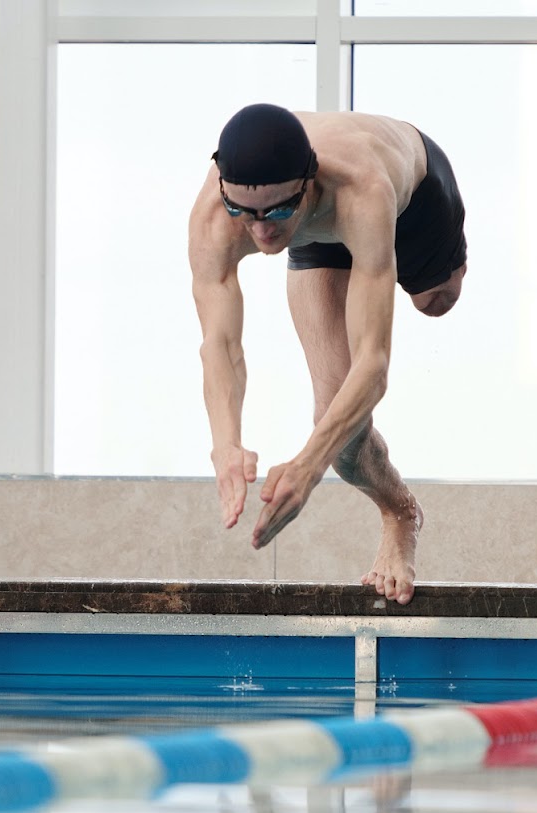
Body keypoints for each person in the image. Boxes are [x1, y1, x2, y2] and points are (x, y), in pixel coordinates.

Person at [188, 103, 469, 606]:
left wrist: (307, 467)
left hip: (414, 200)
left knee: (436, 302)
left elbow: (374, 366)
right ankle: (400, 513)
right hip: (318, 229)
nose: (261, 234)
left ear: (308, 182)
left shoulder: (361, 189)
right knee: (338, 423)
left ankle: (426, 271)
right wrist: (225, 445)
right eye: (244, 214)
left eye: (275, 211)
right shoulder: (217, 215)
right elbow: (220, 344)